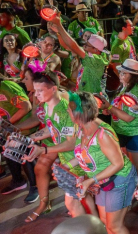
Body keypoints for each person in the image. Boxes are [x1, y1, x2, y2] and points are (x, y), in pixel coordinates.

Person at [66, 92, 137, 234]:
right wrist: (66, 166)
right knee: (105, 221)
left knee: (114, 226)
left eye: (71, 109)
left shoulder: (102, 134)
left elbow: (118, 164)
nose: (68, 111)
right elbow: (83, 154)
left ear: (81, 112)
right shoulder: (81, 129)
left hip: (119, 179)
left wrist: (90, 180)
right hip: (102, 181)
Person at [25, 71, 92, 221]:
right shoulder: (49, 106)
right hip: (68, 159)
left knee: (74, 202)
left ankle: (90, 227)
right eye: (35, 90)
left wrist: (45, 150)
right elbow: (51, 128)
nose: (36, 95)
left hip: (78, 160)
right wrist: (29, 139)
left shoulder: (64, 110)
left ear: (54, 89)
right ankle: (95, 225)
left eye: (40, 90)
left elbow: (72, 142)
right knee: (83, 198)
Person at [96, 59, 138, 185]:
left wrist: (109, 107)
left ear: (134, 76)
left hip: (137, 134)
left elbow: (128, 118)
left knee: (137, 170)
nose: (120, 75)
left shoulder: (137, 91)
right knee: (128, 168)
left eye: (124, 73)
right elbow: (120, 108)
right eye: (120, 72)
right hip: (122, 133)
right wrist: (109, 110)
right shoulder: (124, 86)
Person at [48, 16, 109, 94]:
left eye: (87, 45)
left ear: (95, 49)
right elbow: (67, 46)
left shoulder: (97, 60)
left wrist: (59, 25)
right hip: (84, 95)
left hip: (95, 99)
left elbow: (73, 45)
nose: (84, 47)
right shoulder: (89, 55)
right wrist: (58, 32)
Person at [0, 79, 37, 204]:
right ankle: (18, 180)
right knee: (8, 152)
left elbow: (26, 106)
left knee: (24, 154)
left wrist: (9, 125)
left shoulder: (6, 86)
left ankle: (35, 186)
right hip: (10, 129)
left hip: (24, 126)